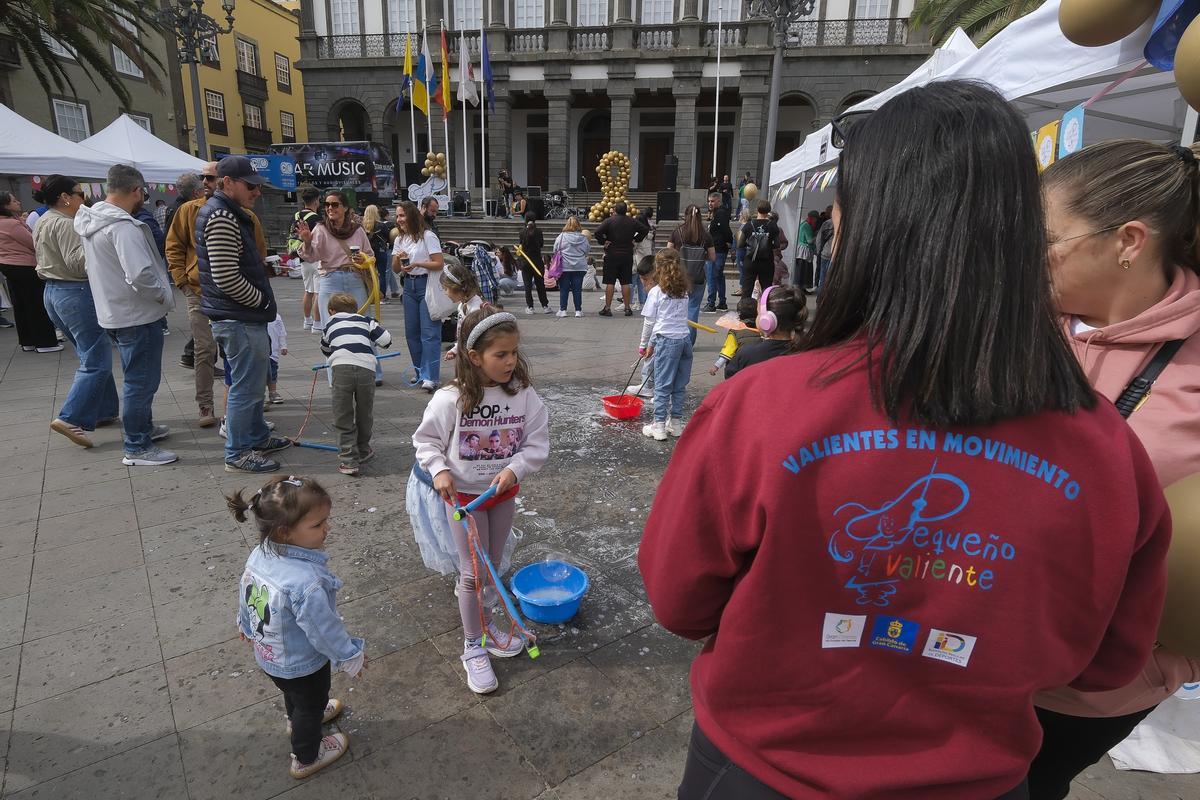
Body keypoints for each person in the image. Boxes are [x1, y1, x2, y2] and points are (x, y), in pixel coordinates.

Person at [639, 81, 1171, 800]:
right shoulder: (1107, 449)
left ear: (862, 224)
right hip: (978, 778)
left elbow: (679, 601)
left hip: (763, 769)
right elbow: (1104, 664)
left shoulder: (759, 408)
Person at [1026, 140, 1200, 798]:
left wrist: (1161, 654)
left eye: (1047, 238)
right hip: (984, 645)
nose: (1028, 255)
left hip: (1097, 687)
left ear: (1128, 241)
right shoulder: (1027, 326)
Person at [412, 309, 549, 694]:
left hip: (501, 496)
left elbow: (537, 442)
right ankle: (473, 645)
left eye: (513, 353)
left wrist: (517, 468)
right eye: (500, 355)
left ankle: (487, 625)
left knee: (494, 563)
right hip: (464, 501)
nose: (510, 362)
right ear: (475, 357)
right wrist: (439, 470)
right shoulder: (450, 398)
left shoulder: (523, 395)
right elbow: (426, 442)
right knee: (472, 572)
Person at [230, 475, 365, 779]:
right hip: (303, 663)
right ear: (285, 531)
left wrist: (246, 625)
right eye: (317, 525)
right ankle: (306, 755)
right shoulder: (307, 582)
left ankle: (299, 716)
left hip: (270, 655)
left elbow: (247, 591)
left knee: (294, 694)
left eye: (325, 521)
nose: (326, 529)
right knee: (311, 699)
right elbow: (323, 629)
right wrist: (349, 655)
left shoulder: (260, 553)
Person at [73, 164, 176, 466]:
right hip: (136, 315)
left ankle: (143, 430)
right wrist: (160, 295)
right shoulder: (122, 227)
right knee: (140, 382)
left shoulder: (92, 219)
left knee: (137, 379)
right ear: (136, 190)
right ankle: (137, 446)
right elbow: (141, 273)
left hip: (115, 312)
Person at [197, 155, 290, 473]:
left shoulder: (228, 212)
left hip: (239, 314)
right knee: (246, 388)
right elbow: (226, 277)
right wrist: (260, 302)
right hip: (239, 316)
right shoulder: (223, 216)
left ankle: (256, 436)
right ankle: (237, 452)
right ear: (228, 183)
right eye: (251, 186)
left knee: (251, 384)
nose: (257, 191)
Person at [168, 165, 268, 428]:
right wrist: (184, 281)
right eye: (205, 178)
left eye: (210, 178)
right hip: (204, 293)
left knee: (239, 359)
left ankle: (242, 420)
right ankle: (211, 408)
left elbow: (257, 254)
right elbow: (175, 247)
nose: (206, 183)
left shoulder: (245, 214)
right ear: (228, 182)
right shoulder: (200, 211)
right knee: (206, 349)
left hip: (233, 300)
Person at [36, 175, 119, 447]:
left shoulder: (44, 219)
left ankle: (103, 411)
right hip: (75, 293)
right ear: (65, 197)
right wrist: (99, 246)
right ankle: (70, 417)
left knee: (92, 354)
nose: (83, 198)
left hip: (54, 293)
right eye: (79, 193)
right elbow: (77, 264)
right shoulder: (67, 224)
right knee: (96, 359)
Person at [296, 190, 381, 384]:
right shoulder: (321, 228)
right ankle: (335, 377)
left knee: (363, 325)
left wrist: (364, 258)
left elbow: (371, 254)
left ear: (345, 208)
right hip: (330, 278)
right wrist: (307, 242)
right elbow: (311, 256)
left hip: (354, 277)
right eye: (327, 204)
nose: (330, 208)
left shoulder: (357, 230)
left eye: (335, 204)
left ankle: (371, 372)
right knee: (331, 329)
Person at [320, 293, 392, 476]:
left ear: (331, 311)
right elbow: (386, 341)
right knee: (364, 411)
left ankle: (348, 459)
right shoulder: (366, 320)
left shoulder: (329, 324)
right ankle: (363, 449)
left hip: (341, 368)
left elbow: (326, 349)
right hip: (366, 369)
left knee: (342, 414)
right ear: (355, 309)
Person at [639, 248, 693, 441]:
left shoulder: (656, 291)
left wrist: (645, 344)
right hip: (684, 340)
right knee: (679, 385)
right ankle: (676, 423)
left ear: (657, 269)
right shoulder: (683, 290)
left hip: (667, 342)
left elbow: (652, 322)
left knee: (662, 385)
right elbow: (671, 320)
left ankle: (659, 425)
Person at [392, 200, 446, 391]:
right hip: (409, 286)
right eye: (397, 216)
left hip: (426, 284)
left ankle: (431, 377)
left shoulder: (428, 236)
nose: (399, 220)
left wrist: (418, 264)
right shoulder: (400, 239)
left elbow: (439, 263)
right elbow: (395, 269)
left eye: (402, 215)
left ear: (412, 216)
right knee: (412, 333)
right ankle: (420, 371)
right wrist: (399, 258)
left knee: (429, 333)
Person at [0, 191, 61, 352]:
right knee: (35, 304)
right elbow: (33, 242)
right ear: (5, 205)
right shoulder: (12, 224)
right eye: (13, 200)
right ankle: (45, 342)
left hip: (8, 266)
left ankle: (28, 341)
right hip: (24, 266)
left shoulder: (7, 222)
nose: (18, 202)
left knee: (20, 305)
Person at [724, 285, 806, 380]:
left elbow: (730, 381)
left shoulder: (746, 355)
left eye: (758, 313)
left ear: (766, 320)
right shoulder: (807, 354)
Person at [668, 205, 716, 342]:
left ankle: (676, 337)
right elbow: (713, 257)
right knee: (693, 308)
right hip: (698, 276)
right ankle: (689, 341)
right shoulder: (706, 235)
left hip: (679, 275)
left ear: (685, 215)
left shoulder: (678, 232)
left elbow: (668, 252)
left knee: (677, 306)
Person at [594, 201, 649, 317]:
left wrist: (604, 241)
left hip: (612, 254)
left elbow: (597, 232)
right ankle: (627, 307)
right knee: (626, 282)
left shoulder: (609, 221)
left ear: (615, 210)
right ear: (626, 210)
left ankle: (608, 308)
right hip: (626, 254)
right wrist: (636, 239)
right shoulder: (631, 221)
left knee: (610, 282)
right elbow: (645, 230)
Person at [289, 186, 323, 332]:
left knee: (308, 290)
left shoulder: (296, 215)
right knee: (318, 292)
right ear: (316, 200)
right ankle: (317, 324)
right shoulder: (316, 218)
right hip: (314, 257)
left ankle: (307, 320)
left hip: (301, 256)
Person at [440, 259, 485, 359]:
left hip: (474, 356)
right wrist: (456, 349)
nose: (445, 293)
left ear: (456, 287)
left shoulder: (475, 308)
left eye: (446, 289)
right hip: (466, 353)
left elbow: (475, 337)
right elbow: (462, 335)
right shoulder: (462, 305)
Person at [739, 200, 782, 297]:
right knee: (766, 289)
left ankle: (745, 309)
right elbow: (777, 244)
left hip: (750, 260)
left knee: (747, 288)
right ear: (769, 210)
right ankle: (765, 309)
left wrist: (752, 244)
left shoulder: (749, 225)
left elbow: (740, 244)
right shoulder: (772, 225)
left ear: (757, 209)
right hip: (766, 261)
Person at [709, 296, 759, 377]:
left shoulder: (735, 330)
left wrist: (716, 366)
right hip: (758, 365)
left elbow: (728, 351)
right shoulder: (763, 329)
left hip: (739, 366)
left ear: (739, 314)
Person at [553, 216, 589, 317]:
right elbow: (587, 251)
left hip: (565, 266)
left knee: (564, 289)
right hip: (580, 267)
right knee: (577, 290)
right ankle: (578, 310)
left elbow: (555, 250)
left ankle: (563, 310)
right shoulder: (583, 238)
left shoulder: (561, 237)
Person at [706, 192, 734, 312]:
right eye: (709, 201)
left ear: (718, 201)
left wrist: (729, 241)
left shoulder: (720, 213)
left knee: (712, 275)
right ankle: (722, 302)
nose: (710, 203)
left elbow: (726, 230)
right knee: (718, 276)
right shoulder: (717, 214)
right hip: (717, 248)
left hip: (718, 249)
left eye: (712, 201)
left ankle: (711, 303)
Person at [518, 214, 549, 314]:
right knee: (540, 284)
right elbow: (541, 244)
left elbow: (521, 245)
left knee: (527, 286)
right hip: (537, 262)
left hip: (526, 262)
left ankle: (530, 307)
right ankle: (545, 306)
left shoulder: (522, 232)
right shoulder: (538, 232)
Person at [362, 205, 392, 305]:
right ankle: (382, 296)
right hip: (380, 251)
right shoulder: (381, 225)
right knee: (381, 274)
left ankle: (369, 295)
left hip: (368, 253)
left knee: (369, 275)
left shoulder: (362, 226)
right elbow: (388, 237)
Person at [794, 210, 819, 288]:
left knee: (801, 270)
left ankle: (802, 288)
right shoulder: (807, 226)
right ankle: (801, 287)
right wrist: (817, 236)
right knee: (804, 270)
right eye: (816, 219)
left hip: (800, 250)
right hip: (804, 251)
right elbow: (809, 240)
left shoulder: (802, 224)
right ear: (813, 218)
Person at [266, 313, 287, 405]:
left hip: (272, 353)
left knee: (272, 374)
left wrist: (283, 346)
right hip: (258, 353)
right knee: (258, 376)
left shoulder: (276, 317)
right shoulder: (252, 314)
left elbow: (281, 332)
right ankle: (259, 396)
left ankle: (272, 393)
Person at [814, 205, 835, 291]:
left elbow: (819, 238)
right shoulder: (844, 223)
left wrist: (819, 251)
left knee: (823, 277)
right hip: (834, 254)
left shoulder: (826, 223)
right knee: (831, 278)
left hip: (825, 253)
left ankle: (820, 298)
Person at [731, 208, 751, 296]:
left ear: (743, 216)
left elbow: (739, 240)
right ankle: (742, 287)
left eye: (740, 214)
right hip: (743, 250)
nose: (739, 216)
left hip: (742, 251)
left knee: (743, 271)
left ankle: (742, 288)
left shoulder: (744, 226)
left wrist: (734, 249)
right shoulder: (747, 225)